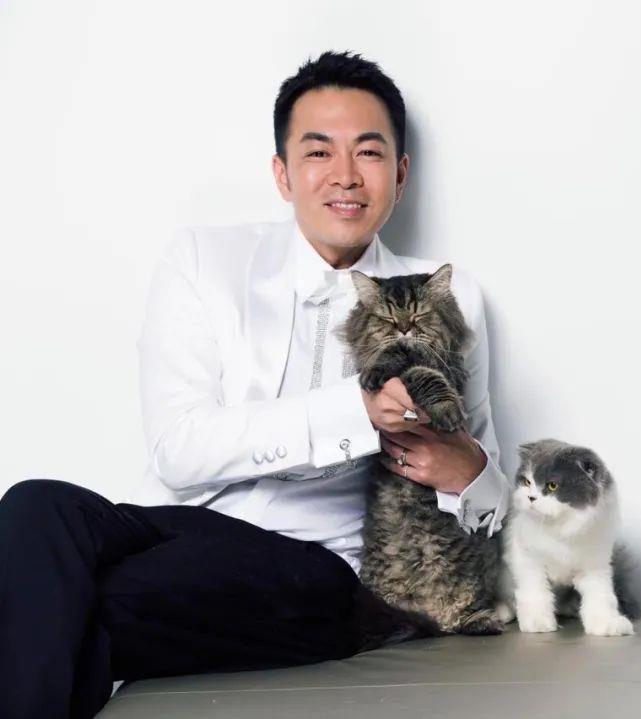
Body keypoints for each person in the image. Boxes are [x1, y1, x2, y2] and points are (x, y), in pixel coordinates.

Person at [0, 51, 510, 719]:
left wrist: (469, 472)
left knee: (57, 601)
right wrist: (356, 412)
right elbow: (178, 451)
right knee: (35, 504)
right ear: (282, 173)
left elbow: (490, 486)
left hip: (320, 566)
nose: (346, 175)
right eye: (319, 152)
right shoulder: (202, 260)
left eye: (369, 152)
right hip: (174, 524)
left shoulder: (444, 292)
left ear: (401, 173)